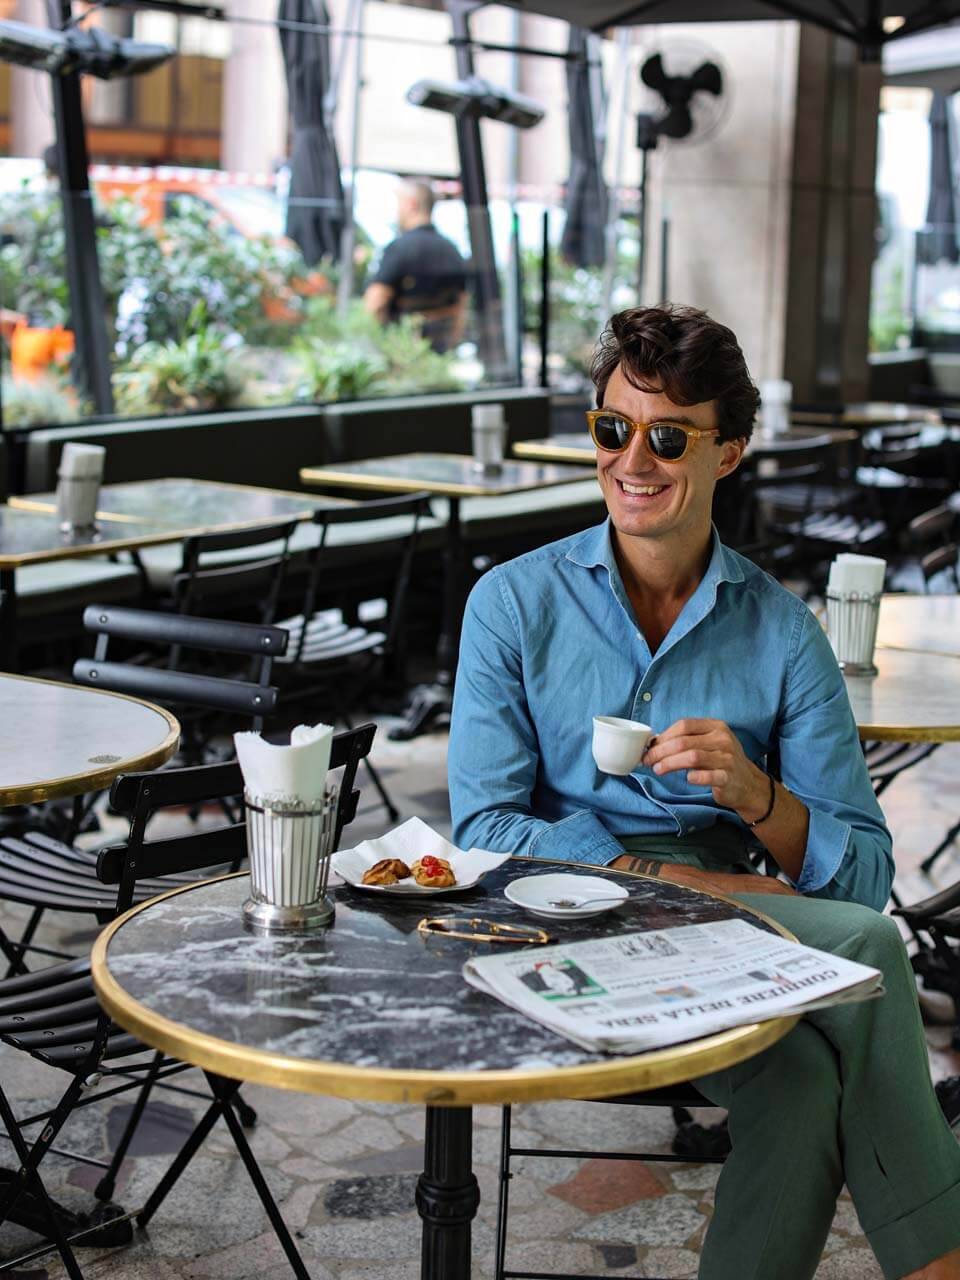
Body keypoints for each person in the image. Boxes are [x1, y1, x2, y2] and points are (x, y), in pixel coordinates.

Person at [448, 303, 960, 1280]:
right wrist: (686, 883)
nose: (633, 460)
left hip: (733, 952)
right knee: (876, 946)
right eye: (614, 428)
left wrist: (759, 794)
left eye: (669, 435)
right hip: (560, 927)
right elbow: (484, 824)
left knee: (803, 1081)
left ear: (728, 451)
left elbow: (859, 873)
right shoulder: (513, 603)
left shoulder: (782, 633)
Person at [363, 179, 467, 353]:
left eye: (399, 204)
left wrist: (376, 345)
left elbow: (375, 302)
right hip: (438, 353)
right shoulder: (452, 249)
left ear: (412, 204)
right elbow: (461, 308)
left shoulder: (400, 248)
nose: (396, 211)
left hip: (401, 352)